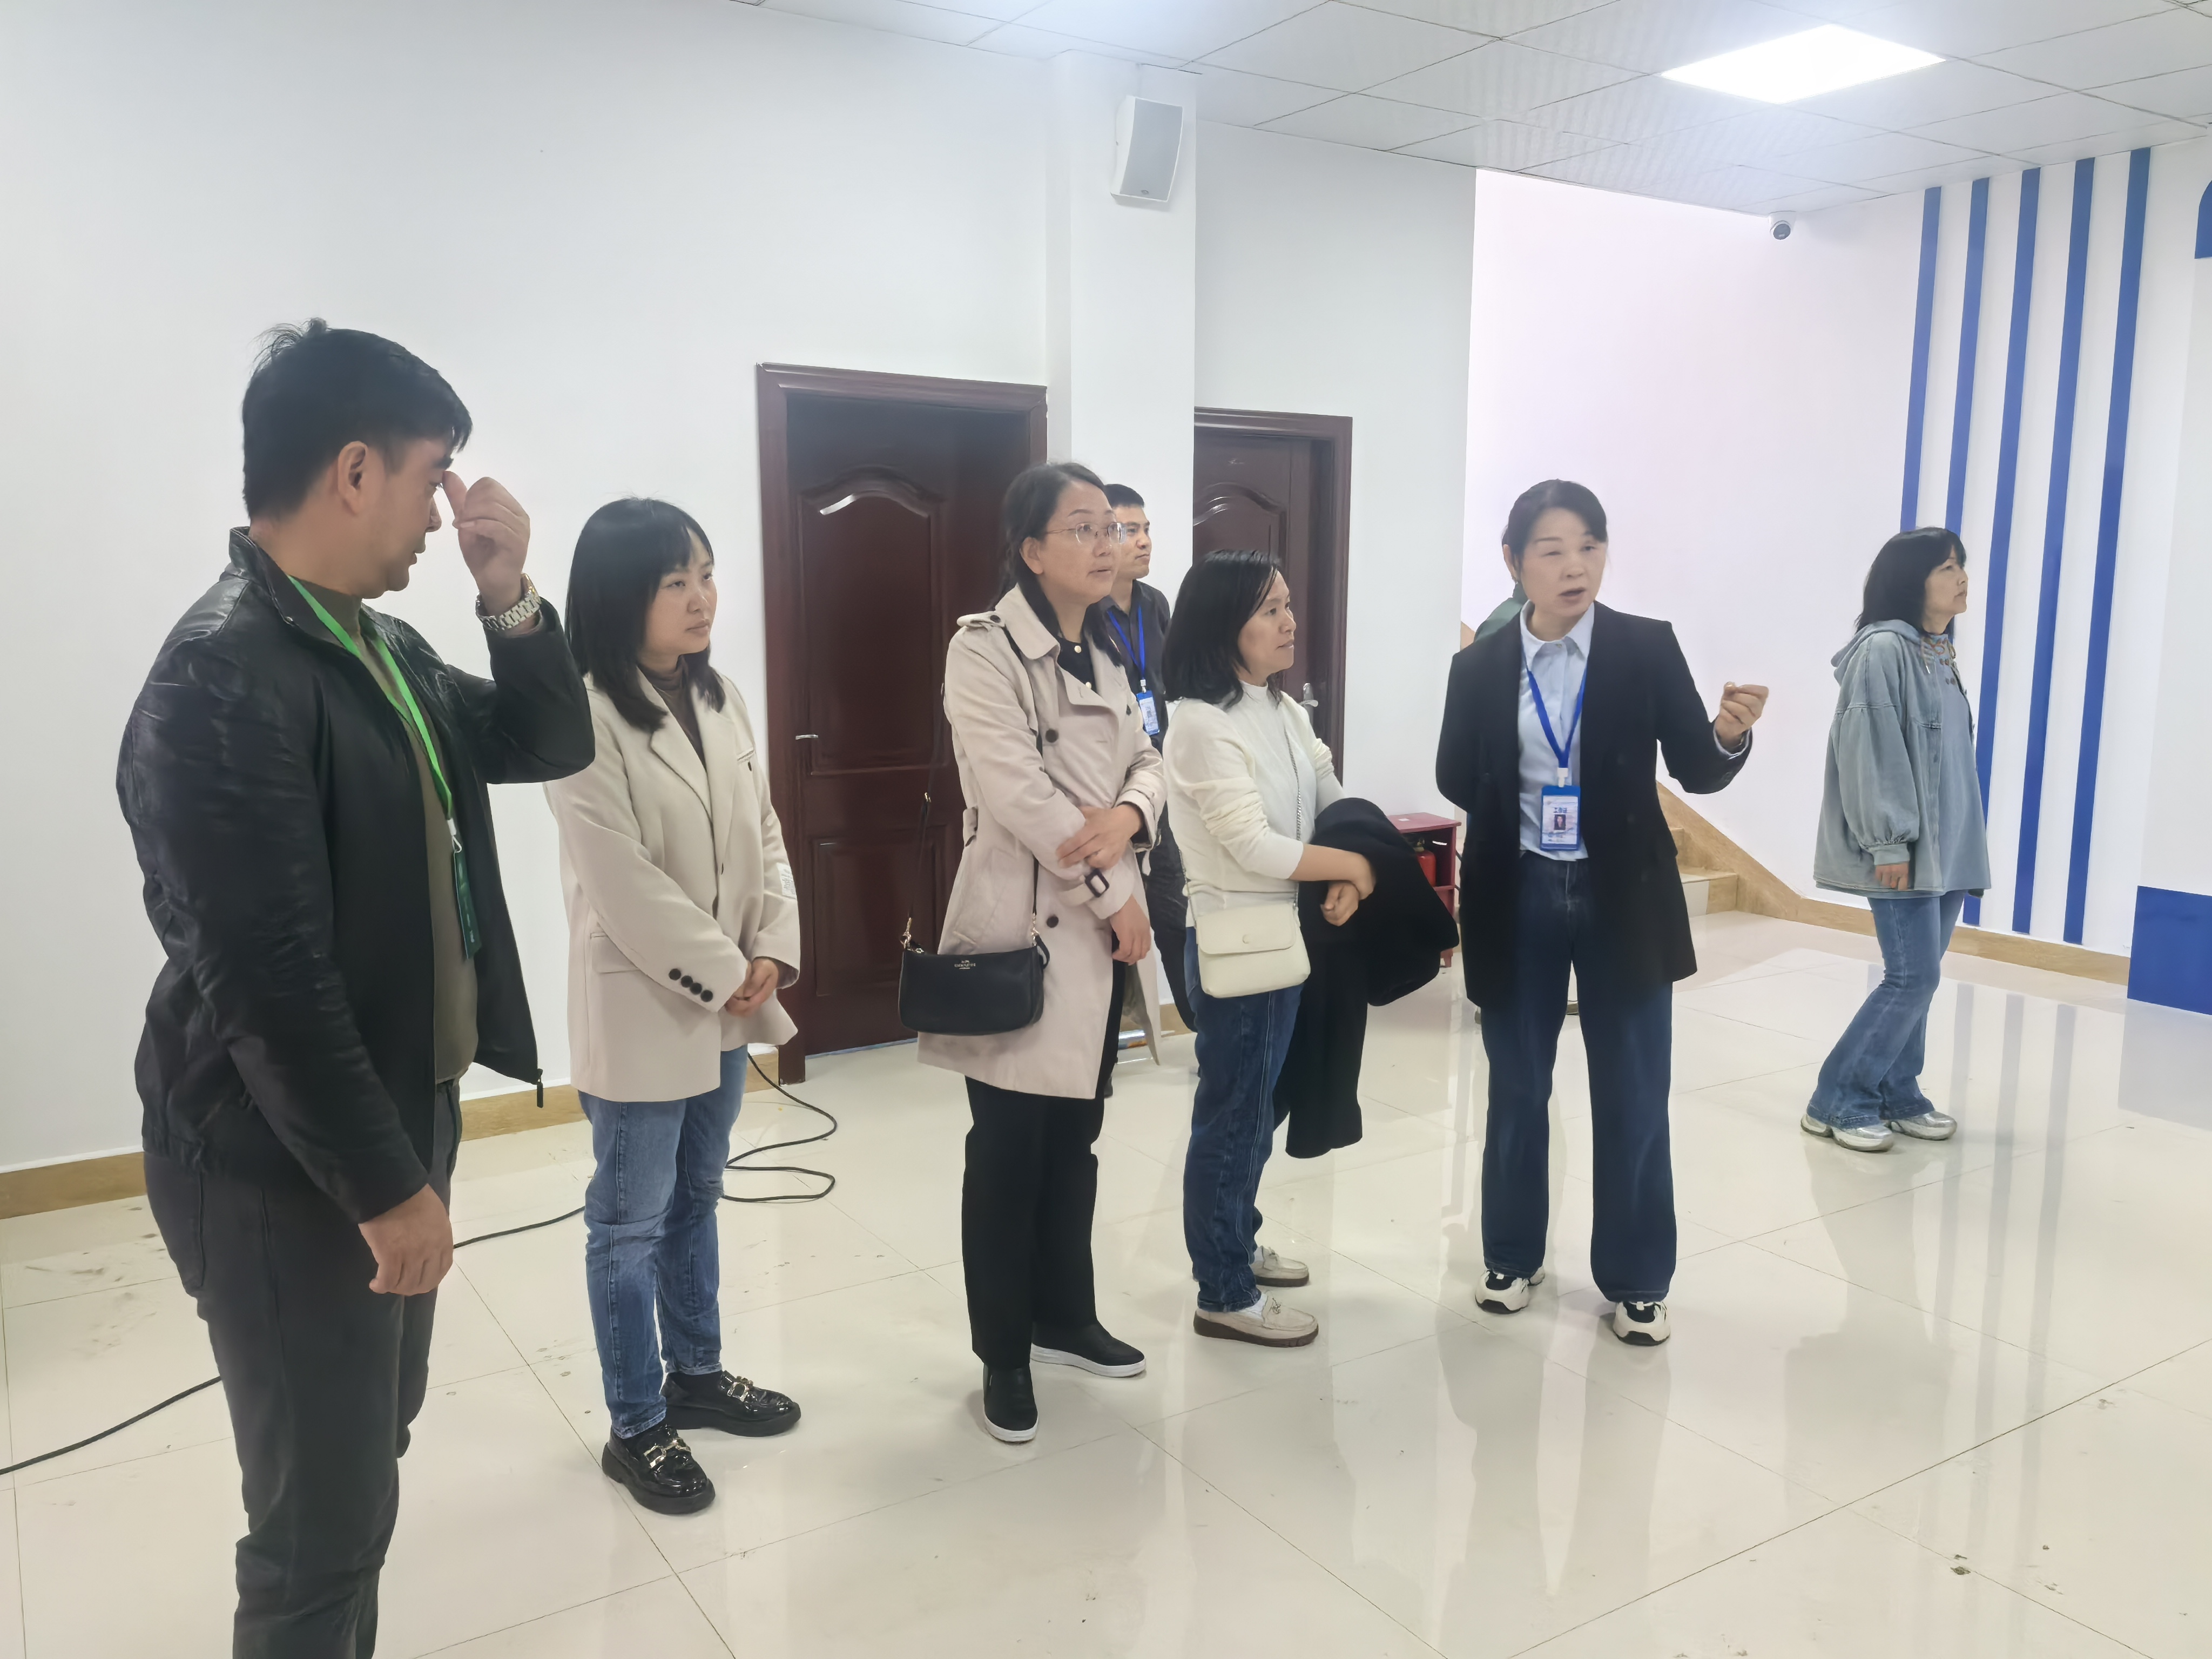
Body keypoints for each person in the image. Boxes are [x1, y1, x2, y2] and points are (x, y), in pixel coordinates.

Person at [118, 321, 592, 1656]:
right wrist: (386, 1187)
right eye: (434, 476)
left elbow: (546, 734)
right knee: (319, 1525)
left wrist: (511, 594)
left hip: (390, 1110)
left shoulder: (374, 645)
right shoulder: (222, 675)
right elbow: (268, 981)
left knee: (368, 1450)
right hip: (281, 1162)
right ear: (353, 470)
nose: (445, 513)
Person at [1435, 480, 1765, 1348]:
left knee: (1633, 1091)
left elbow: (1696, 766)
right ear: (1514, 562)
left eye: (1589, 545)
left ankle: (1638, 1280)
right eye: (1552, 549)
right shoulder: (1479, 667)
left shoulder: (1645, 648)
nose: (1574, 566)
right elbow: (1453, 773)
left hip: (1624, 896)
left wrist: (1729, 734)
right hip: (1519, 893)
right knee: (1517, 1088)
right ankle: (1511, 1256)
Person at [545, 499, 805, 1515]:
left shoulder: (720, 695)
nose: (702, 598)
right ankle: (637, 1421)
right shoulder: (581, 714)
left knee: (699, 1192)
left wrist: (772, 943)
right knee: (628, 1224)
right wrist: (724, 966)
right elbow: (622, 881)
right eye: (674, 581)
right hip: (646, 1004)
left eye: (706, 573)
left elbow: (765, 830)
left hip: (727, 996)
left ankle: (696, 1372)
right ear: (622, 596)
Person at [917, 461, 1164, 1444]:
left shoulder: (1104, 647)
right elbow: (1020, 796)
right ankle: (1004, 1353)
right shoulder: (983, 650)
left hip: (1101, 936)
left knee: (1076, 1142)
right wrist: (1118, 894)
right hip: (1028, 929)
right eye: (1084, 528)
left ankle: (1066, 1316)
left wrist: (1131, 814)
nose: (1108, 544)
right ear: (1031, 551)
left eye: (1113, 527)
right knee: (1008, 1153)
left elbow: (1149, 759)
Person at [1162, 549, 1375, 1348]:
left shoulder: (1281, 708)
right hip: (1239, 942)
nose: (1290, 622)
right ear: (1225, 626)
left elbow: (1326, 789)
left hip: (1286, 936)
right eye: (1270, 610)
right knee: (1233, 1118)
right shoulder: (1199, 723)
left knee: (1260, 1109)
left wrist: (1352, 861)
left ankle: (1237, 1243)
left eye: (1287, 605)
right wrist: (1351, 867)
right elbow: (1252, 845)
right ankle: (1223, 1291)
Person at [1804, 528, 1987, 1152]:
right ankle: (1838, 1099)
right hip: (1905, 850)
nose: (1961, 578)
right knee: (1911, 978)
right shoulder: (1883, 650)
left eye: (1961, 565)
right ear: (1911, 581)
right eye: (1946, 568)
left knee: (1922, 978)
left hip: (1946, 850)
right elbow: (1870, 749)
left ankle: (1897, 1092)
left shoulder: (1936, 652)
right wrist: (1888, 843)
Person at [1103, 483, 1190, 1022]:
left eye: (1146, 529)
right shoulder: (1083, 614)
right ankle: (1105, 1036)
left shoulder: (1154, 604)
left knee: (1173, 908)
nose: (1144, 541)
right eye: (1129, 531)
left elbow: (1167, 680)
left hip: (1159, 778)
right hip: (1108, 787)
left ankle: (1199, 1024)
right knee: (1111, 915)